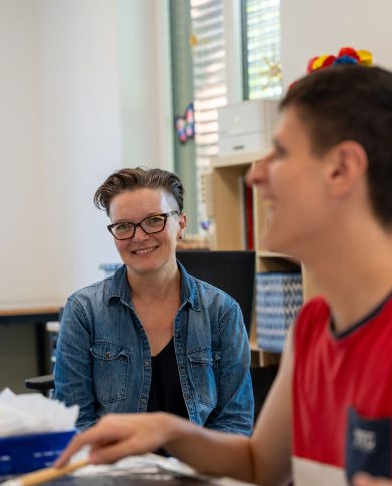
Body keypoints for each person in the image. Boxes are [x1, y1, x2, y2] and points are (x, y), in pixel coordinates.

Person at [56, 67, 392, 486]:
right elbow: (259, 465)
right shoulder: (313, 323)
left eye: (281, 152)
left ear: (341, 170)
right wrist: (171, 432)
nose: (257, 174)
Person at [53, 167, 253, 435]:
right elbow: (75, 422)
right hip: (116, 469)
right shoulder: (83, 311)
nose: (139, 236)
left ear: (181, 224)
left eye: (153, 220)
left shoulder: (222, 312)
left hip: (200, 470)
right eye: (123, 226)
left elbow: (235, 423)